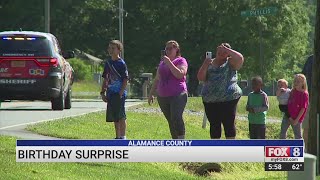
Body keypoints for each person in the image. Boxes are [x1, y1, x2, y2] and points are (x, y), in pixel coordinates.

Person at [197, 43, 244, 139]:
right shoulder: (209, 63)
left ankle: (230, 149)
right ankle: (216, 149)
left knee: (228, 123)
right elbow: (201, 77)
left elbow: (240, 58)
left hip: (229, 99)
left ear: (228, 54)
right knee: (214, 125)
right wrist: (205, 64)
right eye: (220, 50)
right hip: (210, 100)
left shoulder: (231, 63)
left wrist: (228, 50)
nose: (221, 53)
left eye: (224, 51)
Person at [148, 40, 188, 139]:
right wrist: (151, 93)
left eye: (171, 48)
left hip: (178, 94)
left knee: (176, 117)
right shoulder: (162, 63)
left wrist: (169, 63)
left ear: (176, 49)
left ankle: (181, 140)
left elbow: (180, 74)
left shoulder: (181, 60)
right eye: (167, 48)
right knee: (170, 120)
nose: (168, 50)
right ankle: (174, 142)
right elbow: (157, 78)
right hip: (163, 96)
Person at [100, 40, 129, 139]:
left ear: (119, 50)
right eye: (109, 48)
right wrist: (103, 92)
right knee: (114, 116)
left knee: (121, 115)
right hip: (110, 93)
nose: (111, 50)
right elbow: (106, 78)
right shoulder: (108, 63)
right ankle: (117, 136)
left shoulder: (121, 63)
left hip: (119, 93)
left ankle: (123, 136)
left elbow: (125, 79)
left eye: (113, 48)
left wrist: (121, 92)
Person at [280, 74, 309, 139]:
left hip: (297, 118)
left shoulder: (304, 94)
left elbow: (303, 108)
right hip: (288, 116)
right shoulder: (292, 91)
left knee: (298, 135)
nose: (296, 83)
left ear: (303, 83)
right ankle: (282, 146)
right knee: (282, 132)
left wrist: (296, 120)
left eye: (298, 81)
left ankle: (299, 148)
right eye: (295, 81)